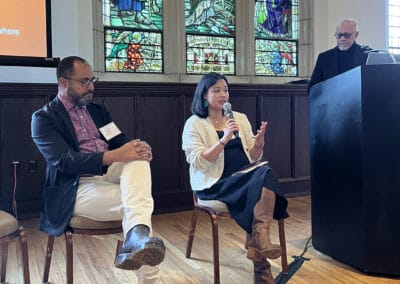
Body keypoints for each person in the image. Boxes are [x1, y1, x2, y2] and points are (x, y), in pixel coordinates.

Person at [31, 56, 165, 283]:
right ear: (63, 82)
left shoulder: (97, 110)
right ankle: (139, 243)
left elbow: (117, 138)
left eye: (92, 80)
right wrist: (116, 155)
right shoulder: (44, 118)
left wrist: (138, 146)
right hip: (75, 187)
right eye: (84, 81)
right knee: (138, 208)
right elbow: (66, 161)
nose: (91, 86)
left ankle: (136, 238)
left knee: (138, 159)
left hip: (110, 177)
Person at [181, 72, 288, 283]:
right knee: (263, 181)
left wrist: (258, 144)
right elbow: (198, 162)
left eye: (226, 90)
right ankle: (261, 257)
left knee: (263, 172)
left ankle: (260, 240)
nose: (223, 95)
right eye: (217, 90)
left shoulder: (239, 118)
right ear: (204, 95)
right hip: (214, 184)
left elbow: (253, 156)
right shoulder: (194, 123)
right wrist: (225, 139)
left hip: (244, 179)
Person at [308, 19, 371, 90]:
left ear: (356, 35)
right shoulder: (324, 58)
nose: (342, 38)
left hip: (359, 100)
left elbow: (374, 84)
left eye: (347, 35)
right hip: (332, 100)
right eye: (339, 35)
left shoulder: (368, 55)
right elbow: (312, 88)